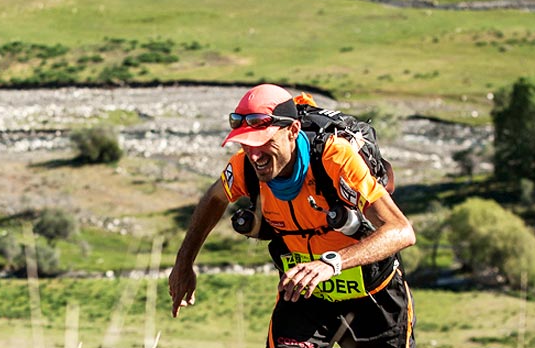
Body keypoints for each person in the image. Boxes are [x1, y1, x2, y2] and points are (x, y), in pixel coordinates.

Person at [168, 84, 417, 348]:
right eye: (246, 143)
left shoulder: (334, 159)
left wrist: (330, 264)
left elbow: (401, 230)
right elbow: (215, 198)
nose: (254, 155)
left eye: (264, 142)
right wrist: (184, 262)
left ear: (293, 131)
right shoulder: (244, 167)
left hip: (374, 300)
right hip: (304, 298)